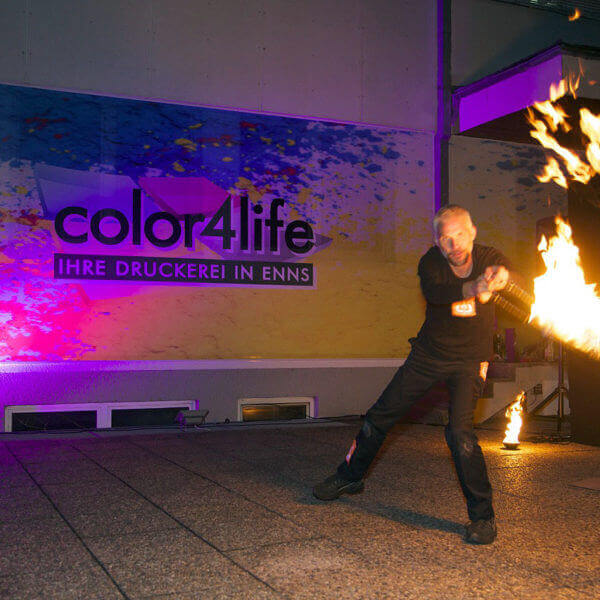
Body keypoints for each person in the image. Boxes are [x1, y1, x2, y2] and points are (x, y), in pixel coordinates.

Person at [313, 205, 512, 545]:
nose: (454, 245)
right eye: (445, 239)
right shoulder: (430, 263)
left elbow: (507, 271)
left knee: (460, 435)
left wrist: (502, 276)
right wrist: (475, 286)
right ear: (437, 242)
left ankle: (483, 517)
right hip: (428, 356)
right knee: (378, 417)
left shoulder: (489, 256)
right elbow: (439, 295)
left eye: (460, 235)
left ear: (473, 231)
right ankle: (350, 475)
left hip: (469, 362)